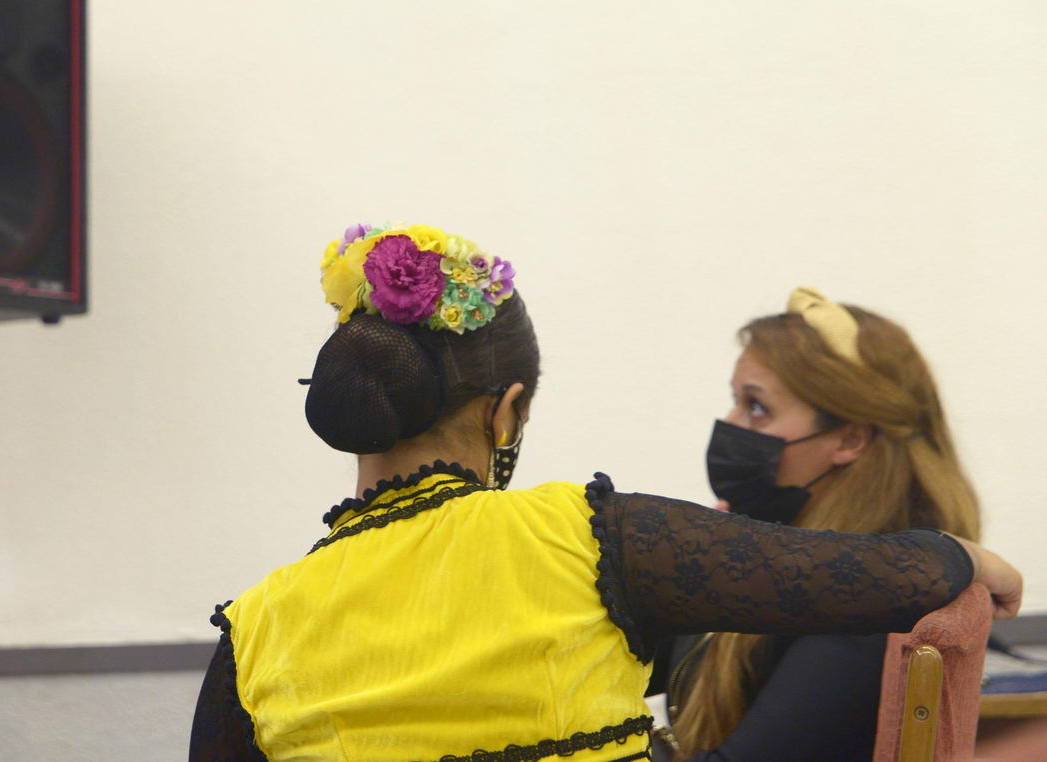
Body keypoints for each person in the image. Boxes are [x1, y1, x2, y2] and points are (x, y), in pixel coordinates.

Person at [188, 222, 1022, 762]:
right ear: (506, 415)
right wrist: (973, 556)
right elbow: (913, 574)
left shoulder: (258, 629)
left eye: (754, 405)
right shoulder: (589, 539)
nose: (730, 424)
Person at [648, 288, 984, 761]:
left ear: (850, 439)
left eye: (756, 407)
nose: (730, 423)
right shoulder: (783, 550)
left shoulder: (866, 601)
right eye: (735, 401)